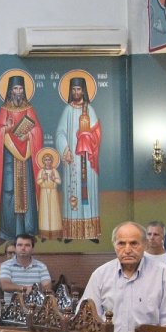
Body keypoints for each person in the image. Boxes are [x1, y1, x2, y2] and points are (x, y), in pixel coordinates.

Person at [0, 74, 43, 245]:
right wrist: (5, 129)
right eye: (15, 88)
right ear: (9, 90)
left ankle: (28, 230)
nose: (18, 92)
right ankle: (7, 231)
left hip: (26, 157)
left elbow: (37, 131)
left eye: (21, 88)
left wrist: (30, 133)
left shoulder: (29, 109)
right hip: (9, 157)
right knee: (9, 192)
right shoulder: (3, 109)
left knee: (26, 192)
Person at [55, 76, 101, 242]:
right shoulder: (67, 110)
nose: (76, 92)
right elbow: (60, 133)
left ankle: (90, 232)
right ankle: (71, 232)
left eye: (79, 89)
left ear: (83, 90)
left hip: (87, 159)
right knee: (72, 192)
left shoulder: (90, 110)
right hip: (72, 159)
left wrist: (87, 137)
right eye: (73, 89)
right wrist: (65, 149)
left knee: (87, 193)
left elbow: (97, 132)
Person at [36, 149, 62, 241]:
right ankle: (44, 234)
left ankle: (56, 233)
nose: (48, 161)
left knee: (54, 212)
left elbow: (59, 181)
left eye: (49, 159)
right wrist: (42, 179)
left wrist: (54, 178)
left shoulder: (54, 171)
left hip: (53, 192)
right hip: (44, 192)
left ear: (52, 161)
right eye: (46, 159)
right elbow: (38, 181)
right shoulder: (41, 171)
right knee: (45, 212)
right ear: (43, 161)